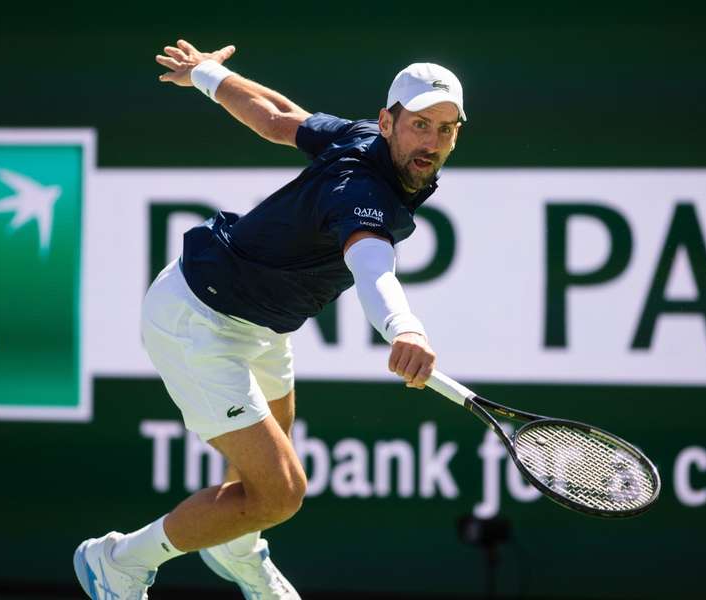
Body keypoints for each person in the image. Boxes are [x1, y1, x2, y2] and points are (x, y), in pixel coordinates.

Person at [74, 39, 466, 600]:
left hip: (261, 326)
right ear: (388, 121)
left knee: (264, 466)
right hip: (198, 322)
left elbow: (279, 119)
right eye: (421, 125)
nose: (432, 141)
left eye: (446, 129)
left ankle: (235, 547)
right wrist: (404, 327)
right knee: (279, 493)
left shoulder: (361, 139)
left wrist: (207, 75)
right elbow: (371, 266)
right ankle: (118, 560)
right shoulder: (363, 191)